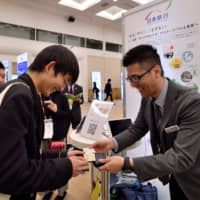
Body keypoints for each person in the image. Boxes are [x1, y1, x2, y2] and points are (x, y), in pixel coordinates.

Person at [90, 45, 200, 200]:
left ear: (156, 71)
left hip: (195, 180)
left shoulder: (190, 103)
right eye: (130, 79)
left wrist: (126, 164)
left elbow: (181, 157)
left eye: (136, 78)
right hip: (176, 177)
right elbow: (137, 129)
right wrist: (111, 143)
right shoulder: (147, 98)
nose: (133, 85)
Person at [0, 45, 89, 200]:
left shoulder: (25, 91)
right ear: (50, 67)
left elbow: (29, 153)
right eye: (64, 80)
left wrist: (62, 155)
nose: (62, 88)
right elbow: (13, 174)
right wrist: (67, 167)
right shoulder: (20, 96)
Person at [40, 91, 71, 200]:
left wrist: (57, 110)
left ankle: (62, 192)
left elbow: (68, 116)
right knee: (46, 165)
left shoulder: (62, 97)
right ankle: (49, 189)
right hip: (44, 137)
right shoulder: (42, 95)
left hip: (58, 136)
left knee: (60, 164)